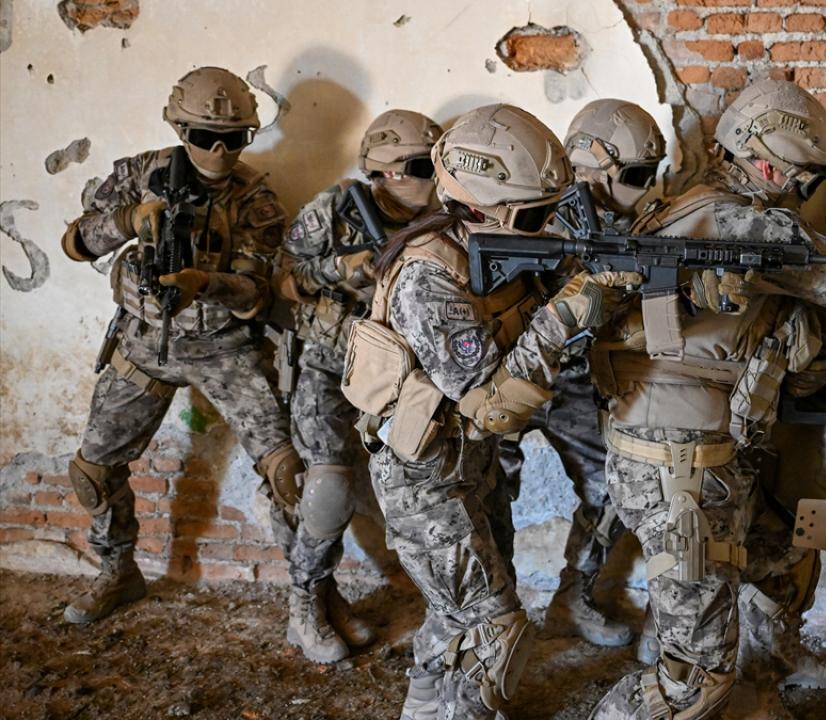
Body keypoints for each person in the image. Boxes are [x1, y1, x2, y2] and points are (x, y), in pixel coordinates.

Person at [589, 79, 826, 719]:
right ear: (769, 165)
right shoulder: (747, 225)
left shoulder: (692, 205)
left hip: (704, 449)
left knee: (785, 548)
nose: (802, 193)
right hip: (679, 467)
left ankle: (762, 675)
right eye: (803, 180)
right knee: (693, 678)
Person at [340, 103, 637, 719]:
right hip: (424, 481)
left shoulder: (500, 248)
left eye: (549, 210)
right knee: (493, 627)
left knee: (458, 611)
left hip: (471, 466)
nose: (544, 226)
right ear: (482, 205)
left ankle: (428, 707)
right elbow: (490, 406)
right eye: (532, 215)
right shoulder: (428, 274)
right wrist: (562, 316)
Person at [58, 67, 303, 627]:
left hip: (225, 348)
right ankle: (117, 571)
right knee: (93, 470)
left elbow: (256, 296)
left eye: (234, 138)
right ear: (178, 128)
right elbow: (75, 243)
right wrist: (127, 219)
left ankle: (311, 595)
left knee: (290, 474)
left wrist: (205, 283)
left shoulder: (254, 199)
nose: (219, 150)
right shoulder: (140, 174)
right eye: (204, 136)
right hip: (145, 342)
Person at [273, 109, 443, 662]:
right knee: (328, 487)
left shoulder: (447, 216)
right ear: (387, 171)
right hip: (327, 363)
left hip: (404, 374)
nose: (433, 177)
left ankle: (447, 612)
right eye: (423, 167)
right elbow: (280, 279)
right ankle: (307, 602)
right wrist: (337, 271)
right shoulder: (336, 208)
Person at [502, 99, 665, 648]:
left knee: (613, 487)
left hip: (576, 382)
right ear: (593, 165)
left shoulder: (634, 224)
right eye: (637, 176)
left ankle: (574, 598)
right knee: (486, 496)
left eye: (651, 174)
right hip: (509, 375)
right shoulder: (524, 206)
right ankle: (490, 618)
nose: (646, 187)